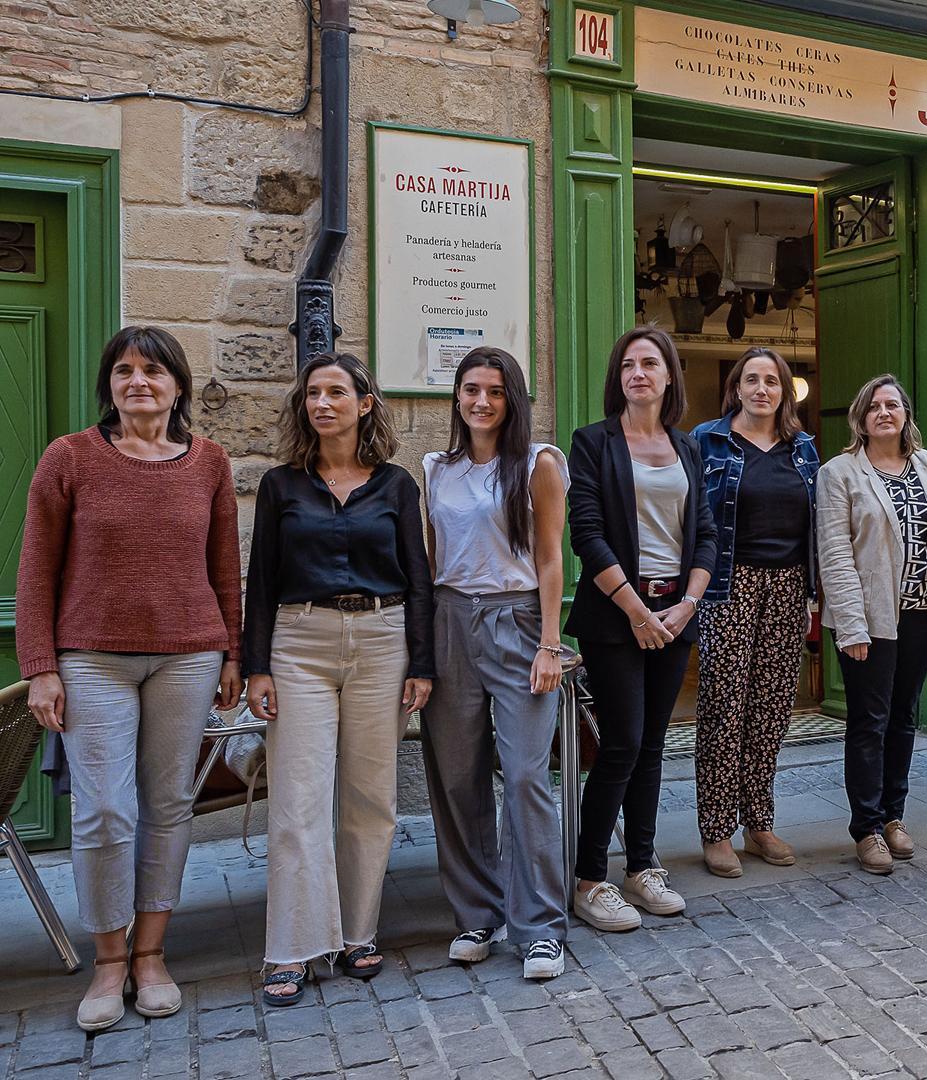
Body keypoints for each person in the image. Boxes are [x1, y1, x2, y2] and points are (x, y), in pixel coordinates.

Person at [18, 327, 242, 1031]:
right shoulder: (70, 458)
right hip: (93, 659)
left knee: (169, 804)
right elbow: (36, 570)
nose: (138, 381)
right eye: (124, 370)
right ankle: (108, 960)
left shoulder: (209, 463)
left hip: (189, 654)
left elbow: (224, 567)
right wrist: (40, 668)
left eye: (152, 370)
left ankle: (152, 954)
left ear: (177, 385)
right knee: (104, 810)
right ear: (108, 384)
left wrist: (233, 654)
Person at [244, 352, 434, 1006]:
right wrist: (256, 665)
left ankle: (356, 932)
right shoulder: (280, 486)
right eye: (312, 393)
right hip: (299, 642)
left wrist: (424, 662)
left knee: (370, 798)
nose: (322, 402)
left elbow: (419, 579)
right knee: (298, 797)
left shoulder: (397, 486)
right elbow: (260, 582)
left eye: (336, 392)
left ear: (364, 403)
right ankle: (292, 946)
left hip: (383, 640)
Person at [420, 348, 571, 980]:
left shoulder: (537, 464)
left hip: (518, 623)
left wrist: (550, 644)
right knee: (457, 776)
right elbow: (432, 562)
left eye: (496, 391)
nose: (482, 400)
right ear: (456, 397)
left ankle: (540, 926)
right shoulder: (435, 468)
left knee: (526, 775)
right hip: (451, 619)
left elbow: (549, 559)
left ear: (513, 399)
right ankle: (478, 912)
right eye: (470, 389)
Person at [565, 326, 714, 931]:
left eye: (650, 363)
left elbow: (705, 534)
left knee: (654, 744)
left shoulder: (688, 448)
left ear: (669, 375)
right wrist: (636, 612)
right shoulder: (593, 443)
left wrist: (685, 607)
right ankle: (590, 877)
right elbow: (587, 535)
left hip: (675, 615)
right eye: (628, 364)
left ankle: (643, 865)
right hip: (614, 618)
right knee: (621, 742)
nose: (638, 374)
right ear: (618, 377)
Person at [817, 374, 927, 875]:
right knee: (868, 722)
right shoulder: (839, 473)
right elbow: (834, 552)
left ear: (905, 415)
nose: (884, 412)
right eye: (874, 405)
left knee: (904, 719)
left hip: (922, 614)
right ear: (860, 417)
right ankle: (867, 827)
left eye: (893, 405)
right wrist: (852, 627)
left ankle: (895, 815)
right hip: (871, 620)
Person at [689, 348, 821, 877]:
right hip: (729, 583)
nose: (762, 389)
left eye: (772, 381)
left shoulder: (805, 449)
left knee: (770, 708)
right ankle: (716, 829)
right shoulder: (708, 440)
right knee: (724, 706)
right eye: (752, 380)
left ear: (784, 391)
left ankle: (758, 820)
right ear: (736, 388)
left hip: (789, 585)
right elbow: (689, 516)